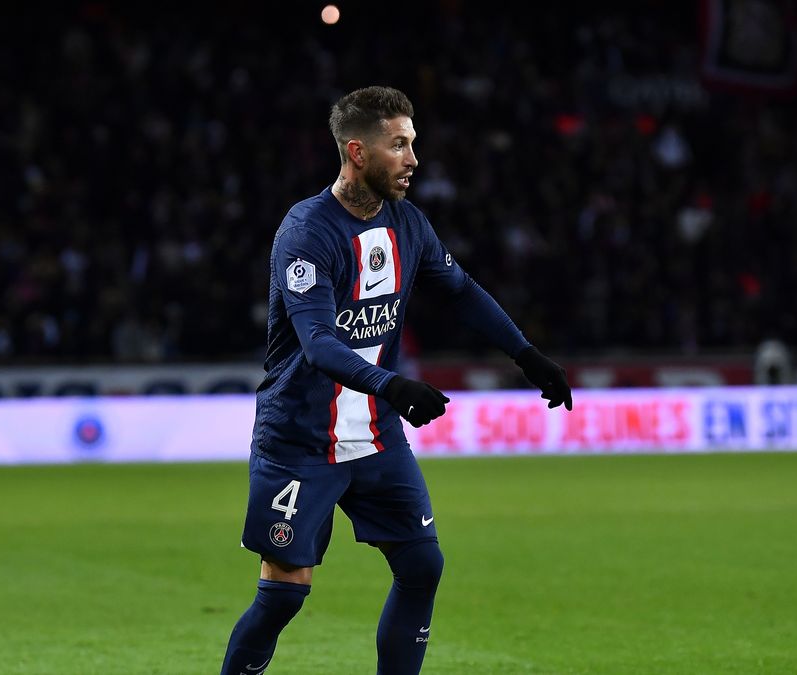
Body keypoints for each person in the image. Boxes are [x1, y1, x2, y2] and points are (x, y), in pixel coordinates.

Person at [220, 85, 573, 675]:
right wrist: (396, 386)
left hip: (377, 436)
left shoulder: (409, 224)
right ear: (357, 152)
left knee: (422, 567)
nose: (414, 160)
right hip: (302, 440)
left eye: (414, 144)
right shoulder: (307, 233)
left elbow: (460, 290)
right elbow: (319, 345)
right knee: (284, 593)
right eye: (399, 146)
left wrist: (526, 354)